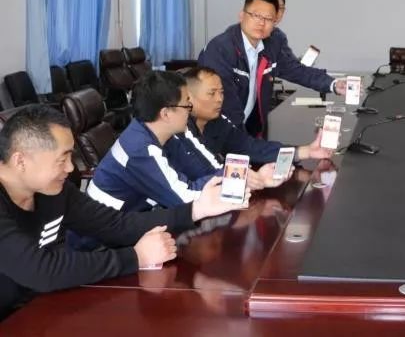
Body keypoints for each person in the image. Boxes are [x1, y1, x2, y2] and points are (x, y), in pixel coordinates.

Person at [0, 105, 246, 319]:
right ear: (20, 161)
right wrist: (135, 257)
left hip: (39, 307)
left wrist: (196, 209)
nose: (71, 168)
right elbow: (41, 270)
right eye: (62, 159)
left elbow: (117, 225)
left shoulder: (55, 190)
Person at [87, 71, 285, 213]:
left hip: (141, 217)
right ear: (166, 113)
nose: (190, 110)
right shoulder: (140, 149)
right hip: (105, 240)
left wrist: (248, 177)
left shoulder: (169, 130)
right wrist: (237, 179)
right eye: (186, 105)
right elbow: (185, 197)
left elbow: (210, 169)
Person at [198, 0, 346, 137]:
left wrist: (333, 84)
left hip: (247, 129)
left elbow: (296, 70)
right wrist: (246, 144)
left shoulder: (272, 43)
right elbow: (225, 104)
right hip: (215, 134)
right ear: (242, 15)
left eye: (268, 19)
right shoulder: (221, 49)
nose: (261, 23)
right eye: (256, 15)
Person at [180, 66, 333, 164]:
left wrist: (305, 151)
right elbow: (206, 170)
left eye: (221, 92)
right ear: (188, 97)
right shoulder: (179, 131)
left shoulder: (217, 121)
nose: (219, 99)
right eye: (211, 93)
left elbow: (251, 148)